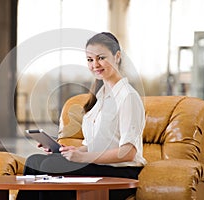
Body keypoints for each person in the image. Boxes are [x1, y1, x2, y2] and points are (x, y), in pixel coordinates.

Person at [17, 32, 146, 200]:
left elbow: (128, 153)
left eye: (101, 58)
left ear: (117, 56)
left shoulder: (128, 96)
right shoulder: (100, 96)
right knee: (34, 161)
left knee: (50, 165)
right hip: (96, 166)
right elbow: (97, 144)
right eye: (90, 60)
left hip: (121, 173)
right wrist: (69, 151)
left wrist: (82, 157)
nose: (95, 65)